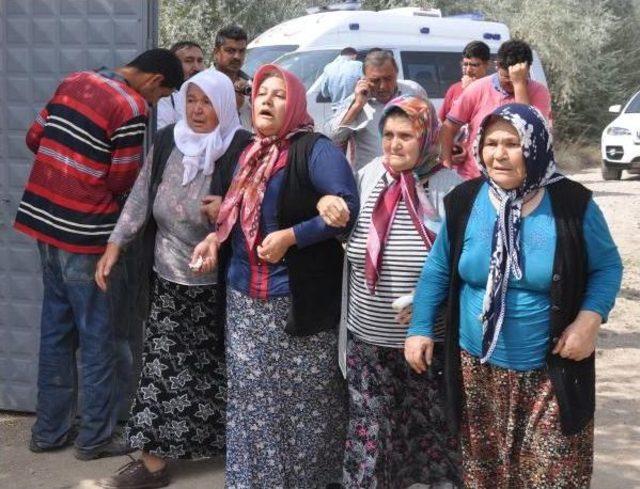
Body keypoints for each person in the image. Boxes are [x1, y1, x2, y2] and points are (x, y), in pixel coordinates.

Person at [406, 103, 623, 488]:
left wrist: (589, 319)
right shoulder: (465, 201)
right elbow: (438, 268)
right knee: (486, 476)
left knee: (552, 476)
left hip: (550, 372)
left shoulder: (573, 205)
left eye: (512, 143)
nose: (499, 154)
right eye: (491, 143)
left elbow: (607, 267)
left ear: (535, 146)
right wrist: (420, 326)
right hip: (477, 369)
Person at [192, 64, 359, 488]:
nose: (265, 100)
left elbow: (344, 208)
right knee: (250, 405)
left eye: (278, 94)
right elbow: (234, 213)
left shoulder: (314, 150)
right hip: (244, 303)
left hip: (294, 305)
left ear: (296, 103)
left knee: (302, 406)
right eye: (261, 92)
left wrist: (292, 236)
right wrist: (214, 241)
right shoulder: (249, 150)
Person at [13, 49, 183, 460]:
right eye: (162, 97)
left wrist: (69, 167)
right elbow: (120, 179)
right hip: (85, 235)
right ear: (154, 80)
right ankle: (94, 438)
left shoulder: (74, 81)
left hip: (44, 223)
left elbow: (34, 138)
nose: (155, 105)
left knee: (56, 331)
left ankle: (49, 432)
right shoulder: (130, 105)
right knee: (99, 339)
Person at [93, 69, 252, 489]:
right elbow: (141, 197)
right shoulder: (167, 140)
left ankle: (225, 445)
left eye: (207, 102)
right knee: (162, 368)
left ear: (224, 105)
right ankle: (152, 462)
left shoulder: (241, 148)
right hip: (168, 277)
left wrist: (226, 216)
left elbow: (258, 210)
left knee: (216, 367)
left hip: (220, 284)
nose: (198, 110)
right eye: (192, 100)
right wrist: (115, 245)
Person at [317, 95, 462, 487]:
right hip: (369, 336)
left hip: (428, 341)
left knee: (430, 432)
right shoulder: (366, 177)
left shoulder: (452, 189)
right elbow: (344, 231)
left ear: (427, 136)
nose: (394, 145)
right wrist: (329, 204)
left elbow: (466, 262)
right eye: (388, 135)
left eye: (406, 136)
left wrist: (429, 303)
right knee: (371, 432)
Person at [439, 39, 552, 180]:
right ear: (497, 66)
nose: (511, 82)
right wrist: (446, 164)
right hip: (475, 176)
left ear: (527, 69)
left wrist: (519, 85)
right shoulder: (477, 88)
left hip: (518, 175)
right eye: (506, 78)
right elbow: (448, 127)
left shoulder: (538, 92)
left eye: (516, 78)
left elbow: (528, 131)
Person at [326, 49, 426, 171]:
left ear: (396, 73)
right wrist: (357, 106)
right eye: (375, 81)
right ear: (364, 79)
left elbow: (432, 129)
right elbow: (333, 139)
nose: (383, 86)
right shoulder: (356, 101)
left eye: (388, 79)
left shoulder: (413, 91)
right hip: (371, 182)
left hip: (411, 175)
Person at [156, 41, 205, 130]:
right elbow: (165, 138)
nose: (196, 67)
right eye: (189, 61)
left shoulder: (211, 96)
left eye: (200, 61)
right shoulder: (165, 98)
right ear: (173, 65)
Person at [438, 41, 491, 122]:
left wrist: (470, 90)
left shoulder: (493, 88)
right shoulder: (454, 89)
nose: (468, 70)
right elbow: (442, 121)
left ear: (486, 65)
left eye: (474, 65)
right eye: (465, 64)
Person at [213, 25, 252, 130]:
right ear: (216, 53)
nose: (237, 57)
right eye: (230, 51)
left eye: (241, 51)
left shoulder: (251, 84)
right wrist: (232, 107)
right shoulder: (202, 84)